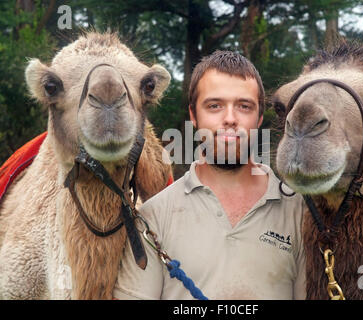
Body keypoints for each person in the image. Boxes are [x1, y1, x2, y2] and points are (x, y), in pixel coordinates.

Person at [113, 50, 306, 300]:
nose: (229, 119)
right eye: (214, 106)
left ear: (259, 118)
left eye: (244, 106)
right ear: (194, 115)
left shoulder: (300, 214)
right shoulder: (153, 218)